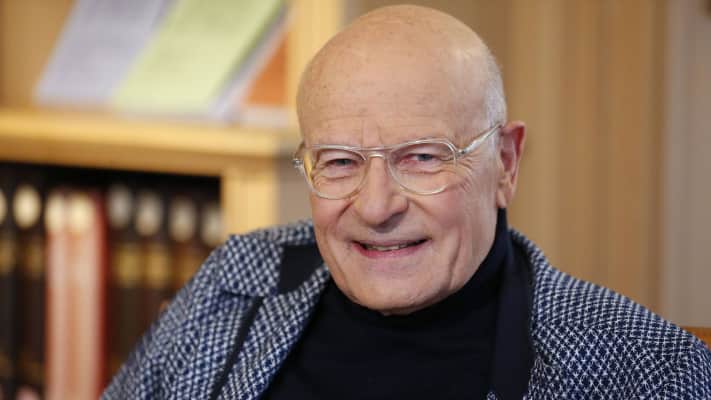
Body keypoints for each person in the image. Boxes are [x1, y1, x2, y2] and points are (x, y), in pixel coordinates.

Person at [103, 5, 711, 400]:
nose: (375, 207)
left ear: (505, 162)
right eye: (340, 161)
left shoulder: (646, 368)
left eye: (422, 157)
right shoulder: (240, 280)